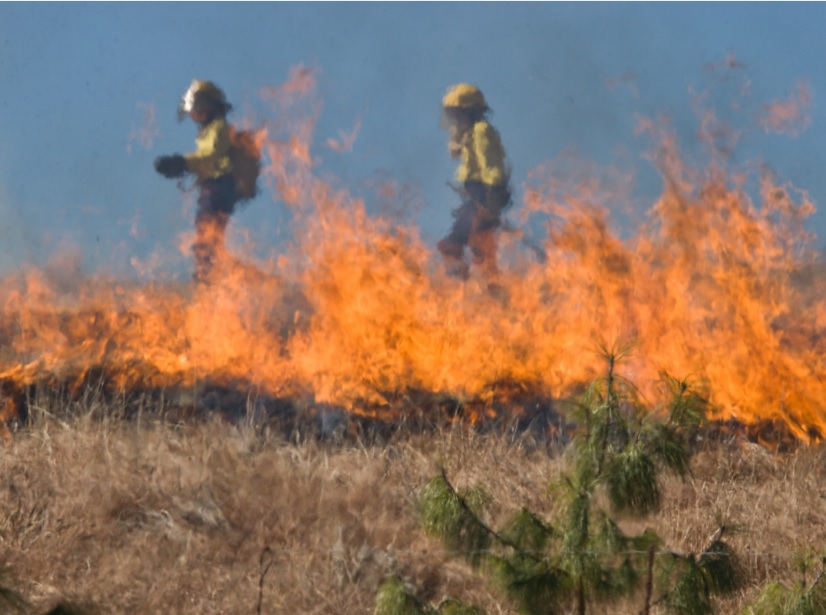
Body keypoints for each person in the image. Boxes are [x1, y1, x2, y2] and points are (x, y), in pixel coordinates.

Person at [154, 80, 240, 284]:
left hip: (219, 187)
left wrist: (182, 163)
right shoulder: (209, 130)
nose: (192, 114)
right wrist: (184, 165)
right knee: (206, 233)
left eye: (196, 109)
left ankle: (208, 275)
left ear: (206, 106)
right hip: (214, 187)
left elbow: (209, 157)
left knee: (208, 234)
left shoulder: (219, 129)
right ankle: (207, 272)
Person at [437, 83, 512, 280]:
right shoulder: (469, 135)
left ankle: (488, 286)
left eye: (457, 114)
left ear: (470, 112)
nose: (454, 119)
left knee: (474, 243)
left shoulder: (481, 131)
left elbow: (492, 166)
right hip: (476, 196)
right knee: (457, 242)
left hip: (485, 194)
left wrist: (491, 200)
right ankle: (465, 278)